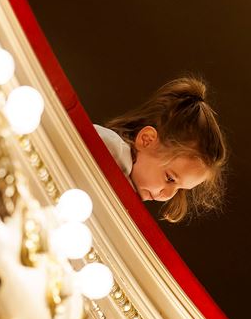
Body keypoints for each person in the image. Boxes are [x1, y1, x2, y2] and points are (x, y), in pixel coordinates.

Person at [95, 77, 228, 223]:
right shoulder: (107, 147)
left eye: (180, 189)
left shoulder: (128, 206)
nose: (168, 195)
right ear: (147, 140)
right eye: (170, 178)